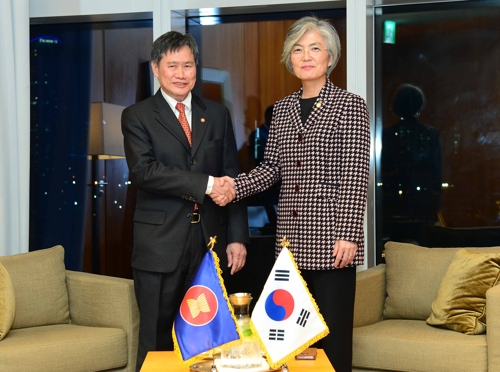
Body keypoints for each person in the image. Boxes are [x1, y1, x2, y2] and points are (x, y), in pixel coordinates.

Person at [212, 16, 370, 372]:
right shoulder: (282, 109)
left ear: (330, 57)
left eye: (315, 48)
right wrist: (234, 186)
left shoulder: (350, 105)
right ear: (290, 58)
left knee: (333, 342)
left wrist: (347, 234)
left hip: (333, 243)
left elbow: (355, 175)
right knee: (290, 342)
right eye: (298, 49)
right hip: (290, 245)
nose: (306, 55)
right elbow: (271, 170)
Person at [121, 31, 249, 372]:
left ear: (196, 68)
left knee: (210, 338)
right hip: (159, 245)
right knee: (157, 339)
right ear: (156, 69)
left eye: (188, 65)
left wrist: (237, 235)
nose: (181, 73)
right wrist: (206, 184)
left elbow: (231, 177)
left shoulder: (217, 114)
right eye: (172, 65)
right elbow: (145, 172)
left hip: (208, 242)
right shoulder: (137, 116)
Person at [382, 84, 441, 242]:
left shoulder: (388, 134)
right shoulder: (430, 134)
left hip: (396, 205)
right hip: (423, 204)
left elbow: (384, 169)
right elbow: (436, 171)